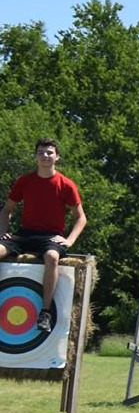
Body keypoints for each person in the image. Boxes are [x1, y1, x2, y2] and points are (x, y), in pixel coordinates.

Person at [0, 139, 87, 336]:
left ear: (57, 157)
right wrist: (2, 232)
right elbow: (6, 211)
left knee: (52, 258)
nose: (45, 156)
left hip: (50, 236)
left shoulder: (66, 184)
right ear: (36, 156)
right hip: (24, 234)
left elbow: (81, 218)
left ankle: (45, 312)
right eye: (41, 152)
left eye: (49, 153)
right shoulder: (24, 181)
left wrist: (70, 240)